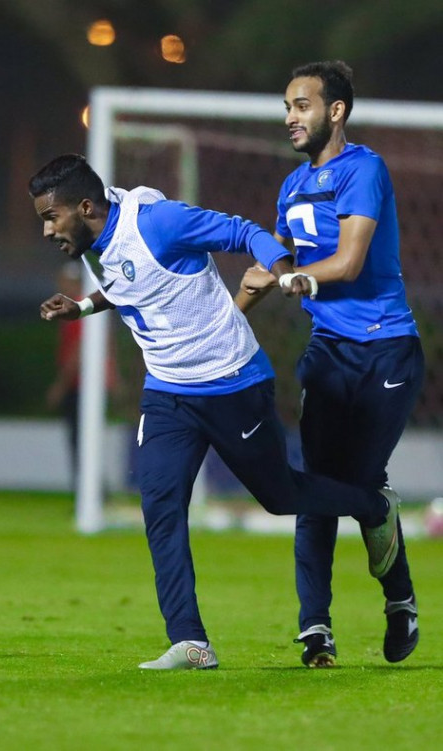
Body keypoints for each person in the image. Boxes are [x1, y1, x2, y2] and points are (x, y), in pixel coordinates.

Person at [29, 153, 400, 670]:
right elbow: (131, 283)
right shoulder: (94, 241)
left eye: (51, 217)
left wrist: (286, 272)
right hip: (167, 392)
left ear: (85, 206)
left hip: (230, 382)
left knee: (280, 496)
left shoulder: (159, 223)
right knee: (160, 504)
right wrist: (84, 307)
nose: (47, 230)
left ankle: (373, 506)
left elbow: (242, 231)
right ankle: (191, 641)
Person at [235, 61, 423, 667]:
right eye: (287, 106)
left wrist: (299, 280)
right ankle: (315, 629)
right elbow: (272, 266)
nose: (290, 117)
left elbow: (348, 262)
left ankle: (400, 603)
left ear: (335, 111)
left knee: (360, 483)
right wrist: (227, 316)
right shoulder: (291, 188)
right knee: (316, 487)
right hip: (329, 355)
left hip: (386, 349)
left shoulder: (364, 169)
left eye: (302, 105)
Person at [46, 262, 122, 488]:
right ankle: (93, 489)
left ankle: (90, 490)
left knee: (80, 439)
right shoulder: (89, 308)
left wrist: (60, 386)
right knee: (86, 438)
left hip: (82, 386)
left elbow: (78, 353)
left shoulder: (79, 309)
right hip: (93, 384)